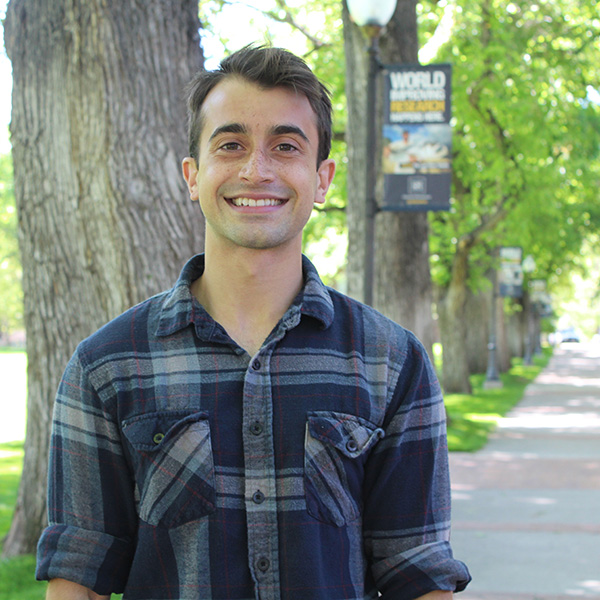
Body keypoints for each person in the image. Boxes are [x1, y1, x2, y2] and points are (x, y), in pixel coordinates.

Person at [36, 45, 471, 600]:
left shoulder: (393, 361)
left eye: (286, 146)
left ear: (322, 178)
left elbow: (419, 572)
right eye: (231, 145)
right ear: (193, 175)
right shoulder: (106, 364)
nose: (256, 169)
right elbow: (80, 577)